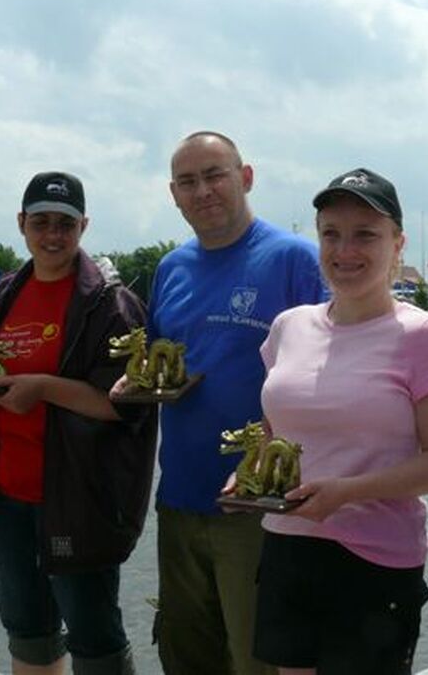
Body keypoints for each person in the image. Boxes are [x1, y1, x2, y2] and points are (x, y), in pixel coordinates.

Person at [249, 168, 428, 674]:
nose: (345, 250)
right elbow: (273, 432)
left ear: (398, 244)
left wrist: (345, 493)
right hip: (286, 545)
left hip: (375, 559)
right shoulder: (288, 327)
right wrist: (252, 475)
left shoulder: (426, 337)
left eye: (365, 235)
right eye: (332, 234)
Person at [131, 131, 325, 674]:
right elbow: (157, 366)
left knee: (257, 660)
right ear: (174, 194)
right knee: (187, 657)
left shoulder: (296, 260)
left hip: (260, 509)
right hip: (180, 500)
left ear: (246, 178)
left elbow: (333, 371)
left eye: (215, 175)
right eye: (188, 182)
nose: (203, 191)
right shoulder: (171, 268)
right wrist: (133, 385)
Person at [0, 172, 156, 675]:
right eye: (40, 222)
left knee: (94, 636)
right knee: (27, 630)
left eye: (65, 224)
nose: (52, 234)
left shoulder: (111, 305)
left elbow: (124, 405)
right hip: (5, 497)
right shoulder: (2, 296)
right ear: (21, 224)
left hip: (77, 500)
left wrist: (43, 387)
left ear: (83, 226)